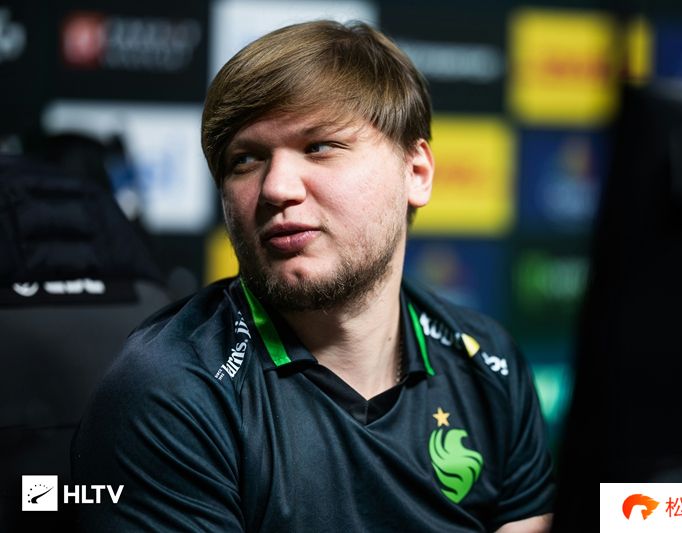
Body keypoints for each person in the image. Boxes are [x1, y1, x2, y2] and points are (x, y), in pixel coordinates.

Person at [72, 20, 555, 532]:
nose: (276, 188)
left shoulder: (488, 362)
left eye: (320, 146)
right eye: (246, 159)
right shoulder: (170, 393)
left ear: (416, 173)